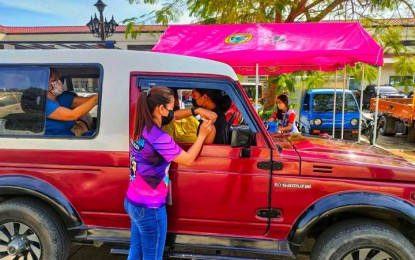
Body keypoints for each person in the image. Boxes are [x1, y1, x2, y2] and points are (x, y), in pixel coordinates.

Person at [125, 86, 213, 260]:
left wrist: (195, 110)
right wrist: (202, 135)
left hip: (132, 201)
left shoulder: (140, 126)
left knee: (135, 253)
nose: (174, 111)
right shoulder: (160, 138)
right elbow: (187, 159)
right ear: (161, 109)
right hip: (150, 207)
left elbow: (173, 117)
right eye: (172, 107)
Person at [45, 68, 98, 136]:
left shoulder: (62, 97)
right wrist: (97, 98)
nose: (59, 82)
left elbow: (87, 101)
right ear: (45, 83)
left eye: (59, 79)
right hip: (55, 141)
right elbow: (73, 115)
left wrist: (101, 97)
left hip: (70, 137)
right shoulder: (45, 104)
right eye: (55, 80)